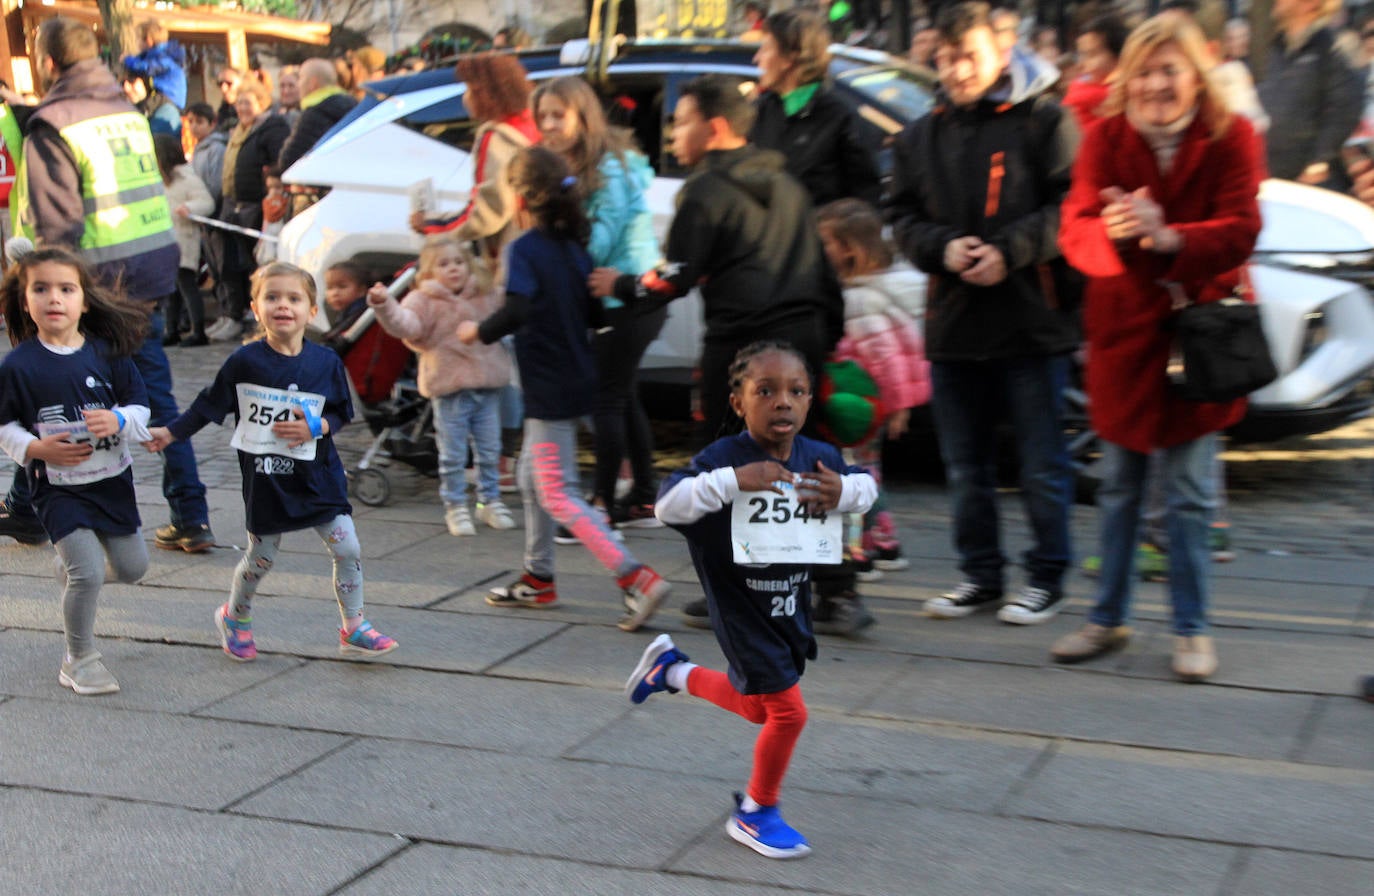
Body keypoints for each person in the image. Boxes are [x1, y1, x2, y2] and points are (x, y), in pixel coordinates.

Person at [1052, 12, 1263, 682]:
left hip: (1200, 339)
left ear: (1195, 75)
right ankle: (1107, 618)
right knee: (1118, 487)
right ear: (1126, 78)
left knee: (1192, 493)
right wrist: (1113, 231)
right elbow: (1074, 231)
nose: (1155, 84)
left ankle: (1191, 629)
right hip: (1125, 339)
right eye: (1143, 71)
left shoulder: (1232, 137)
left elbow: (1241, 228)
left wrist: (1169, 235)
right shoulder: (1105, 138)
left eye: (1169, 70)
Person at [623, 340, 877, 860]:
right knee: (788, 713)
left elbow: (866, 487)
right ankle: (757, 812)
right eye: (766, 391)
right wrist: (735, 481)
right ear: (739, 402)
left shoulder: (819, 456)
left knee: (759, 708)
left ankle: (671, 671)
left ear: (810, 401)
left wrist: (843, 495)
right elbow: (668, 506)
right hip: (739, 607)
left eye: (796, 391)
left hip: (789, 604)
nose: (783, 401)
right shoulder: (723, 458)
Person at [885, 0, 1080, 626]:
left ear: (1000, 51)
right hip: (955, 322)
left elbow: (1072, 209)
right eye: (944, 58)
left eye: (967, 55)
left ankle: (1046, 576)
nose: (956, 68)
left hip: (1031, 320)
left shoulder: (1045, 121)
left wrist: (1012, 252)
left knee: (1041, 463)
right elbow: (902, 217)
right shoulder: (921, 134)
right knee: (964, 466)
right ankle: (980, 574)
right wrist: (942, 247)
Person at [12, 16, 213, 555]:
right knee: (154, 397)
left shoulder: (53, 122)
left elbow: (57, 228)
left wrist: (41, 287)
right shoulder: (126, 110)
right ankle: (191, 514)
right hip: (148, 273)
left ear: (48, 62)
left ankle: (34, 509)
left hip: (98, 282)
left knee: (47, 381)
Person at [457, 145, 671, 633]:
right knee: (534, 477)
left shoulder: (525, 249)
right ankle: (539, 576)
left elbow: (518, 309)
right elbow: (595, 315)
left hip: (549, 388)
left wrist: (477, 332)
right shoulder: (576, 249)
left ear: (520, 199)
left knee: (556, 493)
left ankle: (636, 577)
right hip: (577, 377)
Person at [146, 262, 399, 662]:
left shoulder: (325, 362)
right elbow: (208, 405)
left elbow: (341, 413)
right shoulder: (245, 362)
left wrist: (316, 428)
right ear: (255, 307)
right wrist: (171, 433)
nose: (284, 305)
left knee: (347, 548)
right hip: (268, 479)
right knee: (262, 558)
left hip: (318, 476)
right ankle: (236, 618)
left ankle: (354, 627)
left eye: (294, 298)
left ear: (311, 310)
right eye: (273, 297)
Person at [589, 73, 843, 450]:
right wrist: (828, 344)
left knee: (727, 465)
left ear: (715, 128)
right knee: (798, 462)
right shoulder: (790, 186)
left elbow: (675, 277)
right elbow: (825, 277)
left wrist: (621, 285)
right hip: (803, 347)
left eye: (683, 121)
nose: (673, 133)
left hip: (741, 353)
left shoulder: (704, 192)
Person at [0, 247, 153, 694]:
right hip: (58, 489)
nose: (54, 298)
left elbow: (142, 407)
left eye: (66, 289)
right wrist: (34, 447)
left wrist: (120, 419)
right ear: (24, 300)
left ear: (84, 300)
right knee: (87, 571)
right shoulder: (18, 365)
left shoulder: (108, 354)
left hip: (111, 484)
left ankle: (71, 572)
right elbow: (3, 424)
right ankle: (79, 658)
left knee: (131, 567)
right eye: (41, 289)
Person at [532, 76, 665, 529]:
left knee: (605, 399)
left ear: (583, 116)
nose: (548, 125)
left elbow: (601, 241)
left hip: (628, 296)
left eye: (558, 115)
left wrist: (553, 253)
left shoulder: (608, 167)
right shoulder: (568, 163)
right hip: (614, 297)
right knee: (623, 397)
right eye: (542, 116)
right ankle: (644, 498)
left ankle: (600, 507)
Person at [366, 233, 514, 536]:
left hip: (487, 385)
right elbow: (405, 324)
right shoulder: (424, 299)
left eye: (459, 262)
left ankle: (489, 501)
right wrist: (386, 306)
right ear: (430, 272)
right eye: (444, 264)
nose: (454, 269)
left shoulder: (485, 292)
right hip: (449, 390)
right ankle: (455, 505)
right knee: (452, 453)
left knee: (489, 449)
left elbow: (509, 305)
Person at [815, 198, 929, 581]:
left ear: (848, 248)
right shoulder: (874, 289)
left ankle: (857, 550)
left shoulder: (861, 298)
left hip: (860, 404)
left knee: (853, 477)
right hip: (869, 402)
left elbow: (886, 360)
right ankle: (885, 541)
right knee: (865, 472)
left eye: (825, 242)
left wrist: (895, 407)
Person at [409, 53, 540, 274]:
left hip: (516, 253)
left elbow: (489, 211)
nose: (465, 98)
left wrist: (432, 224)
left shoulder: (497, 137)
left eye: (468, 89)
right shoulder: (535, 122)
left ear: (485, 93)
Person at [749, 9, 882, 208]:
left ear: (790, 57)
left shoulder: (841, 119)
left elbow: (864, 204)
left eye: (765, 49)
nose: (756, 59)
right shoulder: (758, 113)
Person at [209, 79, 289, 342]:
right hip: (234, 204)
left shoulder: (270, 128)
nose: (242, 107)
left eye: (247, 102)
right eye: (239, 102)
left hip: (256, 205)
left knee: (256, 264)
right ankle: (234, 314)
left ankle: (258, 318)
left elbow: (276, 163)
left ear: (261, 103)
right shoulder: (239, 131)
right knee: (230, 264)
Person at [1257, 0, 1362, 190]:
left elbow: (1347, 106)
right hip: (1272, 180)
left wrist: (1319, 160)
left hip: (1310, 187)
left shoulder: (1329, 46)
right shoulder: (1276, 47)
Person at [154, 133, 214, 347]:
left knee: (187, 286)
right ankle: (172, 329)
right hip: (168, 241)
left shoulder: (187, 178)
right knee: (172, 290)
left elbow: (206, 202)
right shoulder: (162, 180)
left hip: (184, 239)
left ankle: (198, 331)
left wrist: (189, 208)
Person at [277, 58, 358, 176]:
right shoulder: (353, 105)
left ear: (313, 83)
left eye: (300, 78)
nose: (298, 84)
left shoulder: (314, 114)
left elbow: (288, 160)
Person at [1062, 12, 1128, 131]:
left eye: (1091, 55)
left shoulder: (1128, 98)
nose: (1081, 65)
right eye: (1081, 55)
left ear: (1118, 56)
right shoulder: (1079, 90)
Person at [121, 18, 186, 113]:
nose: (137, 43)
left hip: (170, 98)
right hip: (164, 97)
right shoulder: (156, 55)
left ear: (148, 40)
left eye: (138, 39)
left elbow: (147, 68)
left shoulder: (164, 57)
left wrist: (128, 60)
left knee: (143, 109)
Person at [122, 73, 180, 137]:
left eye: (131, 81)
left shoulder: (166, 111)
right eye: (121, 84)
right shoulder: (129, 110)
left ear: (145, 81)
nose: (126, 88)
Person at [275, 64, 302, 129]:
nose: (286, 91)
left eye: (291, 86)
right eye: (282, 86)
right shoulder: (273, 111)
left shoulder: (307, 115)